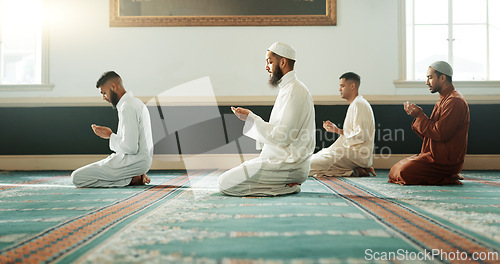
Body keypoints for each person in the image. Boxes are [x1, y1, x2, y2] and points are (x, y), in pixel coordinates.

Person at [218, 42, 316, 196]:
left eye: (270, 62)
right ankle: (285, 186)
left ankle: (287, 186)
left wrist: (251, 118)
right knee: (231, 178)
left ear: (282, 62)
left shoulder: (294, 91)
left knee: (225, 183)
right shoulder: (288, 89)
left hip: (288, 165)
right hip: (280, 161)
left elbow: (282, 136)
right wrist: (249, 118)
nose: (266, 67)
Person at [389, 61, 470, 185]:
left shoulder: (454, 101)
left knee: (402, 173)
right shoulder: (444, 99)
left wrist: (419, 116)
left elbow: (440, 134)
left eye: (430, 78)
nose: (427, 82)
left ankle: (448, 176)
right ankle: (446, 176)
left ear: (442, 78)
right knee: (394, 170)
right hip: (433, 156)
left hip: (443, 161)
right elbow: (430, 134)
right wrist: (417, 116)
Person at [71, 71, 154, 187]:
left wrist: (110, 136)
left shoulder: (127, 107)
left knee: (77, 177)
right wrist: (110, 136)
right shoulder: (132, 103)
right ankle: (132, 177)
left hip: (134, 161)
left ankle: (132, 179)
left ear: (113, 87)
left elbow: (131, 148)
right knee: (86, 175)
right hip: (136, 161)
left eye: (104, 93)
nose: (103, 98)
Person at [309, 72, 376, 177]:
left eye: (342, 86)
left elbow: (361, 135)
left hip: (357, 155)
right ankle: (354, 171)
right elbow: (353, 134)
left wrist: (337, 131)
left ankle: (357, 169)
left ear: (352, 86)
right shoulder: (356, 104)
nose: (340, 89)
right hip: (349, 152)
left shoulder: (359, 104)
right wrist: (336, 129)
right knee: (313, 159)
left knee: (307, 166)